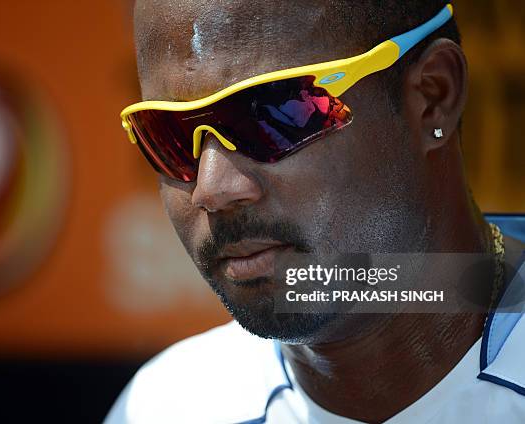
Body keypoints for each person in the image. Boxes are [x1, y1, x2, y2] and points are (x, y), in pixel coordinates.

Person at [105, 1, 525, 422]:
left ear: (434, 98)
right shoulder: (163, 407)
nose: (212, 189)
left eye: (272, 113)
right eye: (168, 135)